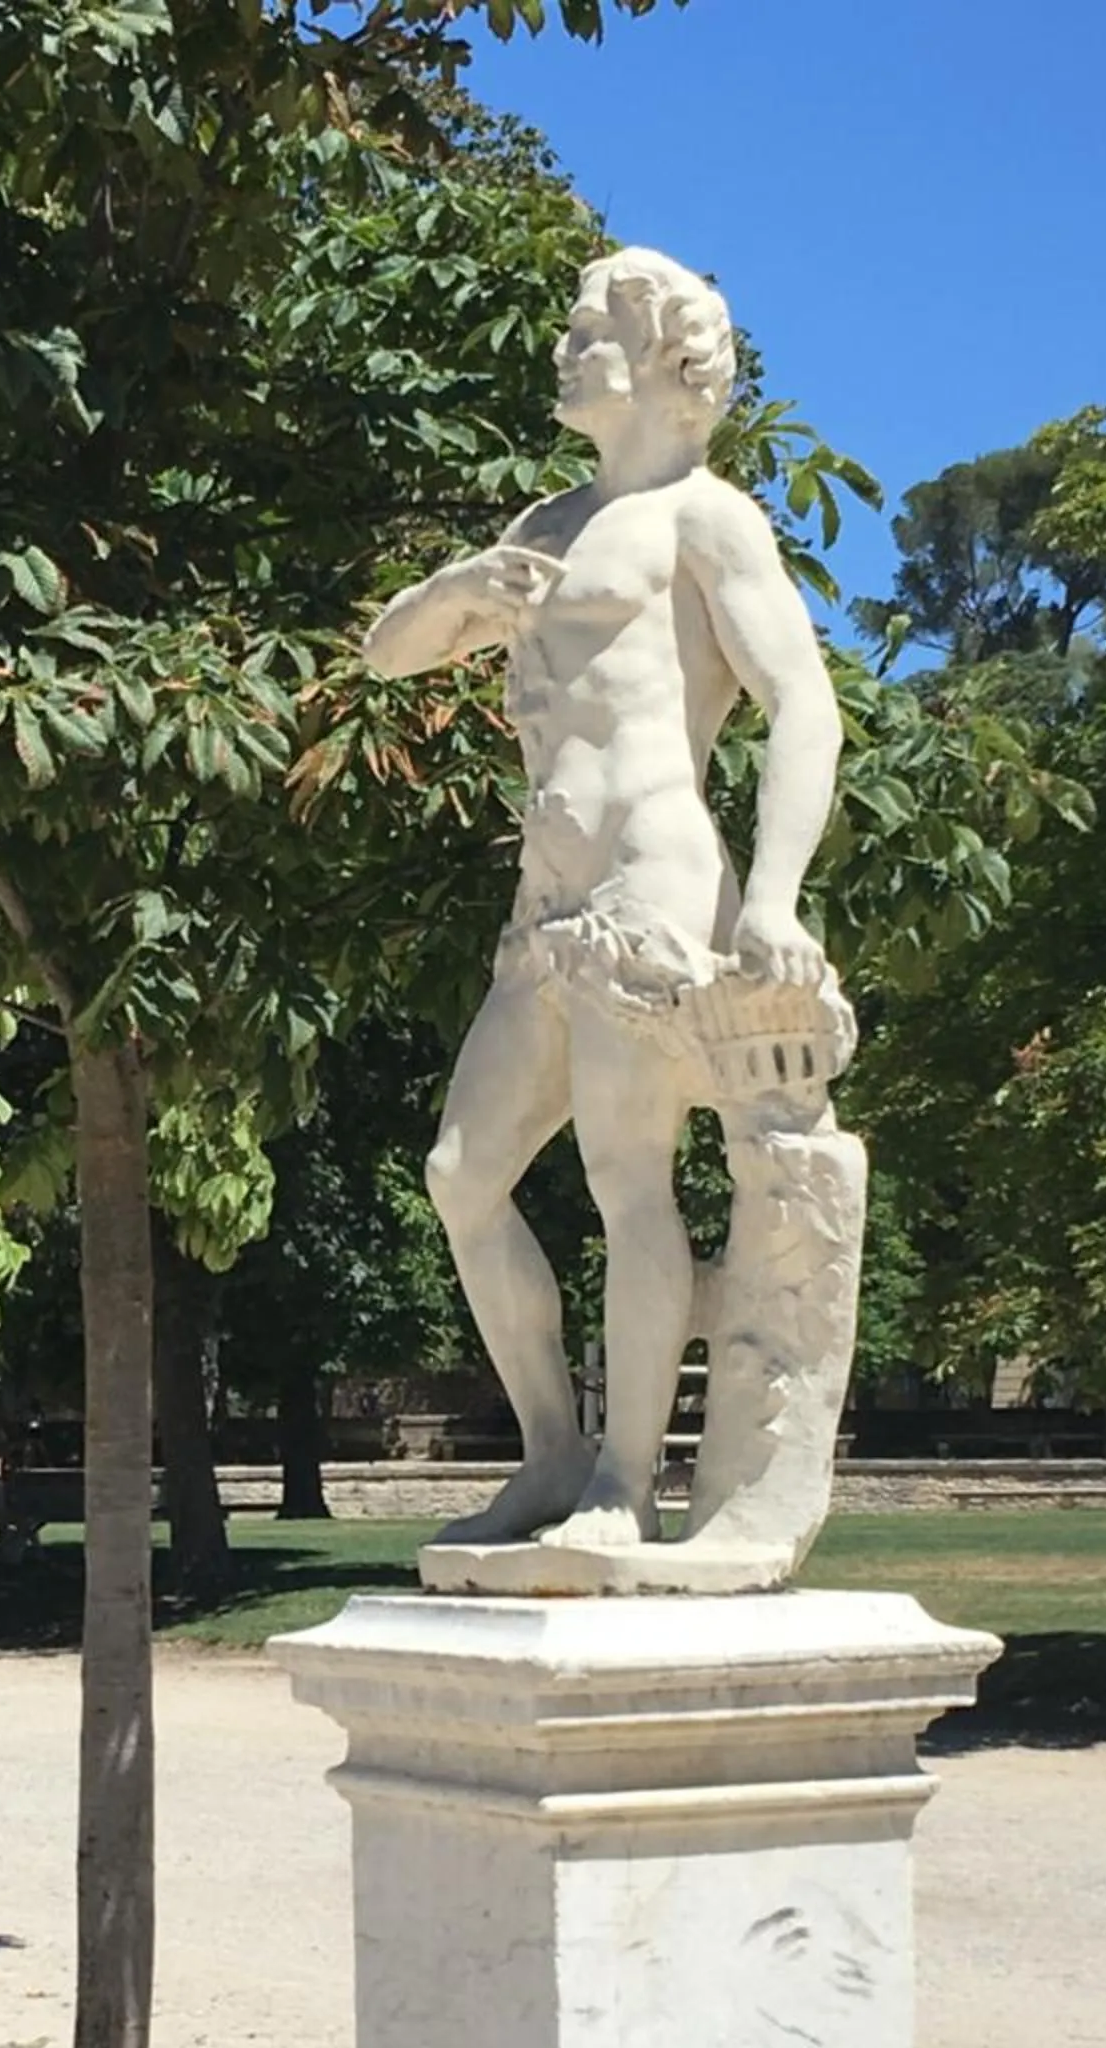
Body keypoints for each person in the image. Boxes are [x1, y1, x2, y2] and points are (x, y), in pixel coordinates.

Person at [365, 246, 866, 1580]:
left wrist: (771, 896)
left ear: (661, 362)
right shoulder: (542, 524)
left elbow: (801, 704)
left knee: (622, 1181)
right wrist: (462, 591)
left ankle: (622, 1483)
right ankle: (546, 1450)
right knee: (463, 1176)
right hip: (544, 906)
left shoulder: (705, 520)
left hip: (652, 889)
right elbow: (384, 653)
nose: (563, 348)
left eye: (587, 330)